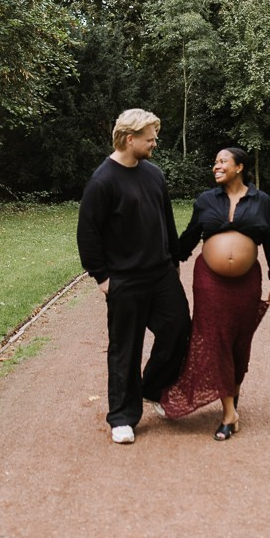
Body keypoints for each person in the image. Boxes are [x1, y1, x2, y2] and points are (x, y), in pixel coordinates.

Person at [77, 109, 191, 445]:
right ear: (130, 139)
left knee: (179, 328)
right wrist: (102, 278)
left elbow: (165, 218)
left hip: (161, 274)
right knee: (125, 348)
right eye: (150, 138)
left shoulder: (154, 174)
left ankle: (152, 388)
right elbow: (88, 233)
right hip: (124, 280)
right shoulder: (103, 181)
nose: (155, 143)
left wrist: (173, 259)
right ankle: (122, 417)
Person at [159, 146, 270, 440]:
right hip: (209, 281)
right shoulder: (205, 200)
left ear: (239, 167)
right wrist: (163, 253)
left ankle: (233, 393)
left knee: (240, 340)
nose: (216, 166)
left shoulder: (262, 201)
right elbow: (188, 239)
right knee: (214, 338)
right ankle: (228, 413)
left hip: (246, 283)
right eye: (214, 162)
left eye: (222, 161)